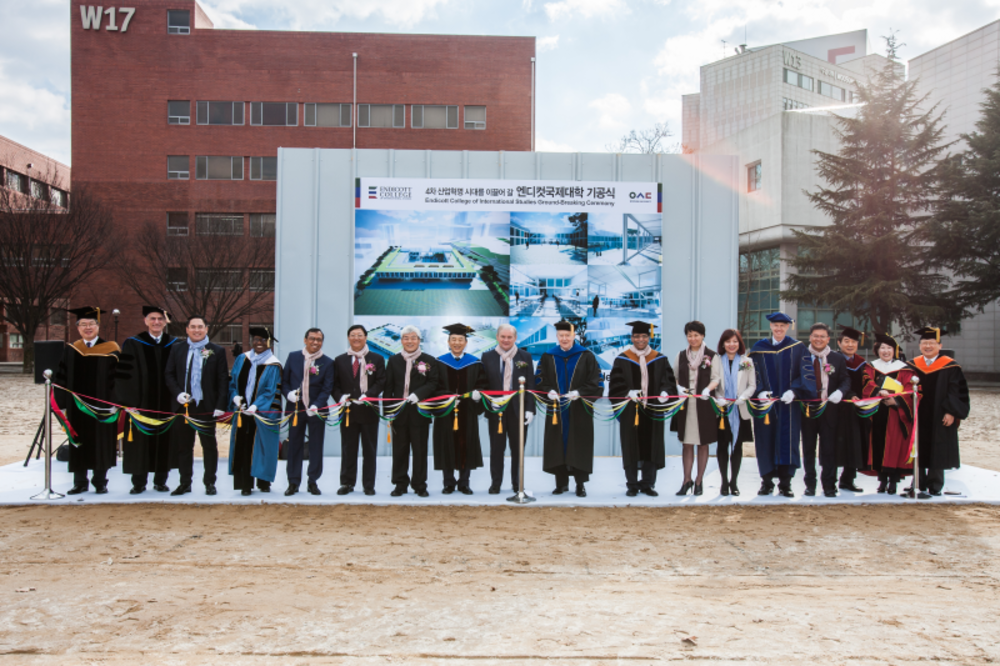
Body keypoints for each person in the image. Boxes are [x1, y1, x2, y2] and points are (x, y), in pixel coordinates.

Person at [608, 321, 677, 497]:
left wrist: (665, 393)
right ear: (632, 338)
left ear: (649, 338)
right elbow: (615, 385)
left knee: (651, 446)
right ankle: (631, 484)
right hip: (631, 412)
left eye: (644, 336)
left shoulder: (660, 359)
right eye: (637, 336)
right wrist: (626, 392)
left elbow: (668, 382)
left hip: (653, 411)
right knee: (631, 446)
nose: (640, 340)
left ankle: (648, 484)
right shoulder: (622, 358)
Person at [56, 307, 120, 495]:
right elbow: (61, 379)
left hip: (103, 408)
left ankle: (100, 481)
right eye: (83, 324)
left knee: (102, 443)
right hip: (76, 409)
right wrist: (62, 406)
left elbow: (120, 379)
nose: (87, 327)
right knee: (78, 442)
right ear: (77, 328)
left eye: (91, 324)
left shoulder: (112, 350)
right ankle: (80, 482)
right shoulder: (71, 350)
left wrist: (116, 403)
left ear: (98, 326)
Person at [115, 306, 178, 494]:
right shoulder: (133, 343)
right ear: (145, 321)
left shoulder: (174, 344)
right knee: (139, 442)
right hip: (141, 404)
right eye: (153, 318)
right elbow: (124, 376)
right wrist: (128, 402)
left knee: (164, 440)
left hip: (167, 404)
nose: (156, 322)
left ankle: (161, 480)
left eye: (160, 319)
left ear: (165, 322)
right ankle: (139, 482)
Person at [535, 320, 602, 497]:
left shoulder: (586, 356)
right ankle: (561, 483)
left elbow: (596, 381)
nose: (564, 339)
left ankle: (580, 484)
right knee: (557, 444)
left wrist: (580, 392)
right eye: (561, 335)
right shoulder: (548, 356)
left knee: (579, 444)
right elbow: (539, 379)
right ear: (557, 336)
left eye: (568, 335)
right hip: (557, 409)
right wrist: (547, 391)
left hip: (580, 409)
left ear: (574, 336)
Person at [165, 315, 229, 496]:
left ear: (206, 329)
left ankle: (210, 482)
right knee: (184, 446)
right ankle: (185, 482)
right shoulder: (177, 349)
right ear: (187, 329)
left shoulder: (217, 351)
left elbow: (223, 379)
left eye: (200, 327)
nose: (196, 330)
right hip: (184, 406)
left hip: (206, 406)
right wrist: (178, 393)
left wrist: (220, 404)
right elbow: (169, 374)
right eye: (192, 327)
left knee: (209, 446)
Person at [748, 312, 807, 497]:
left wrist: (795, 391)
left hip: (789, 406)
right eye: (776, 325)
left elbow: (805, 373)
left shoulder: (798, 348)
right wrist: (760, 391)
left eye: (783, 325)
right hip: (765, 406)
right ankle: (766, 482)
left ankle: (785, 483)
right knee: (765, 440)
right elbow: (752, 374)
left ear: (788, 327)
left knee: (788, 442)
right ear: (771, 327)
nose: (779, 328)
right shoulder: (759, 349)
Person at [906, 327, 970, 496]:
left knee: (938, 447)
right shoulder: (912, 365)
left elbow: (956, 391)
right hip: (918, 414)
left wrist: (951, 412)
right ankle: (918, 483)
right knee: (918, 446)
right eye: (924, 343)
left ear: (940, 345)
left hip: (940, 414)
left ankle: (935, 484)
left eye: (932, 343)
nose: (928, 346)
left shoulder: (950, 366)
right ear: (919, 345)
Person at [793, 323, 851, 497]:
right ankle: (810, 484)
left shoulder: (837, 358)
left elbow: (845, 380)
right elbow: (795, 378)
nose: (819, 339)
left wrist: (840, 392)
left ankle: (829, 485)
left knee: (828, 449)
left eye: (822, 336)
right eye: (815, 336)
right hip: (808, 409)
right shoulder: (801, 356)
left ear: (828, 339)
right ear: (810, 337)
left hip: (829, 410)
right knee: (808, 449)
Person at [384, 325, 440, 497]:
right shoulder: (393, 361)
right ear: (401, 341)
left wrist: (418, 395)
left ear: (419, 340)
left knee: (420, 450)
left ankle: (419, 484)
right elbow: (388, 388)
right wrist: (388, 412)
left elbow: (433, 383)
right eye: (406, 338)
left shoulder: (429, 360)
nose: (409, 341)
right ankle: (400, 484)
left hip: (420, 413)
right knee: (399, 450)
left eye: (413, 337)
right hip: (399, 414)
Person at [433, 324, 489, 494]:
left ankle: (464, 482)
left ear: (466, 343)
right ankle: (448, 482)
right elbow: (434, 385)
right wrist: (448, 396)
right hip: (446, 411)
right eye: (453, 339)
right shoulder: (439, 362)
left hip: (468, 411)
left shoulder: (475, 363)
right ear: (448, 342)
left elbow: (483, 384)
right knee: (446, 444)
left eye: (460, 340)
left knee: (467, 444)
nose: (457, 343)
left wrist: (478, 393)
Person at [332, 324, 386, 496]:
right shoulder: (340, 360)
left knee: (369, 449)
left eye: (360, 335)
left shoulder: (376, 359)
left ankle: (368, 485)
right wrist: (340, 397)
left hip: (369, 410)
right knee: (348, 448)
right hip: (348, 412)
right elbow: (335, 384)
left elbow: (381, 381)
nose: (356, 338)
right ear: (348, 338)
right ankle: (347, 483)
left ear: (366, 337)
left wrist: (369, 395)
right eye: (353, 335)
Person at [481, 323, 536, 494]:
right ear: (497, 337)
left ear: (515, 338)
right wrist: (489, 401)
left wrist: (530, 408)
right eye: (503, 337)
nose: (506, 340)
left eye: (509, 337)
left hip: (517, 411)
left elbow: (530, 384)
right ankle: (495, 483)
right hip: (496, 411)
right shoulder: (487, 356)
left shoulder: (525, 356)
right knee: (497, 448)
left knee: (518, 448)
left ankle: (516, 483)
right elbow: (483, 383)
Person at [228, 327, 283, 496]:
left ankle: (263, 481)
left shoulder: (274, 364)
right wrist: (235, 398)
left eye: (263, 340)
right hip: (242, 411)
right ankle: (245, 483)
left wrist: (256, 406)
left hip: (261, 413)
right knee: (243, 445)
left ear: (269, 343)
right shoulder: (241, 359)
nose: (259, 343)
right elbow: (233, 383)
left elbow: (271, 391)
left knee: (263, 446)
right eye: (256, 340)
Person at [670, 321, 721, 496]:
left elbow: (716, 378)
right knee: (687, 443)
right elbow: (674, 377)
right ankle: (686, 480)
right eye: (690, 335)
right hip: (686, 405)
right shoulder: (681, 355)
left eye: (696, 335)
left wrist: (708, 389)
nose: (693, 338)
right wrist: (677, 387)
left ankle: (699, 481)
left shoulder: (712, 356)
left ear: (703, 336)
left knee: (703, 443)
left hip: (704, 404)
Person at [282, 328, 334, 496]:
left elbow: (327, 388)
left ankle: (313, 481)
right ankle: (293, 482)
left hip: (316, 412)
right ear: (305, 340)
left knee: (316, 446)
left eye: (319, 339)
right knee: (294, 446)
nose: (315, 342)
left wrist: (317, 405)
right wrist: (288, 394)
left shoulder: (327, 362)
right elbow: (284, 382)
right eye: (312, 339)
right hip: (296, 410)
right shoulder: (293, 357)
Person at [862, 333, 916, 494]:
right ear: (877, 350)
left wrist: (897, 402)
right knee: (877, 445)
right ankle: (882, 481)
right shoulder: (871, 367)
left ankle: (893, 481)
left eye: (889, 348)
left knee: (894, 447)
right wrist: (878, 390)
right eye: (882, 348)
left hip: (895, 413)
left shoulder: (904, 368)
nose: (885, 351)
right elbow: (866, 382)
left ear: (895, 350)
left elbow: (911, 389)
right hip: (877, 412)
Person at [713, 329, 756, 497]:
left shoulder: (747, 361)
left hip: (740, 409)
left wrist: (744, 397)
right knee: (722, 446)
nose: (732, 344)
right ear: (723, 344)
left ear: (740, 343)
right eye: (728, 341)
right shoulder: (716, 361)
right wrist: (719, 398)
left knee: (737, 446)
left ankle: (734, 482)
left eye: (735, 341)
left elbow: (752, 385)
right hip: (722, 410)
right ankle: (724, 482)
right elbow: (713, 383)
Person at [833, 325, 869, 492]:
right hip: (835, 408)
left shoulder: (862, 363)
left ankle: (848, 479)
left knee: (854, 443)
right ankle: (830, 481)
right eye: (846, 341)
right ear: (839, 343)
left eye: (853, 342)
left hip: (856, 410)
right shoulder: (832, 360)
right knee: (833, 445)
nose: (850, 345)